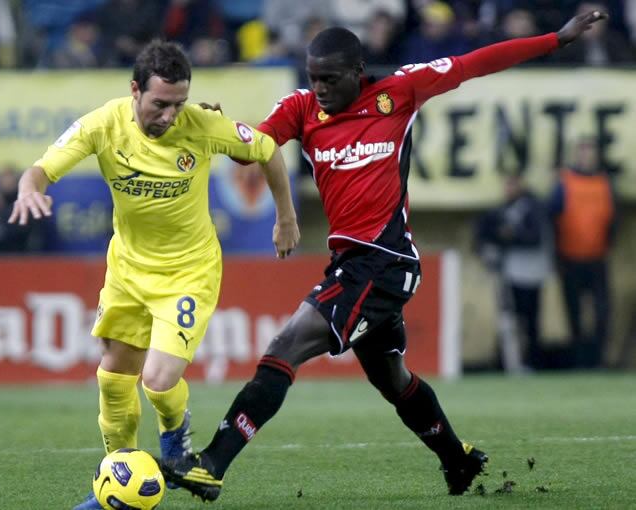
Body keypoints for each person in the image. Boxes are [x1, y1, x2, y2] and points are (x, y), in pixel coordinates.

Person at [160, 10, 608, 500]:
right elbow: (255, 149)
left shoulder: (401, 91)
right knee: (392, 378)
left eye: (330, 79)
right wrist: (217, 127)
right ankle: (458, 461)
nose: (321, 89)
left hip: (386, 260)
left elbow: (475, 62)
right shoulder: (302, 108)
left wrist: (554, 40)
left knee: (286, 345)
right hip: (354, 265)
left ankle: (212, 464)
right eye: (314, 78)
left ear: (358, 72)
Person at [8, 40, 299, 510]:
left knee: (159, 380)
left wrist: (285, 218)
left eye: (179, 104)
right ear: (134, 91)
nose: (169, 115)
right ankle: (116, 480)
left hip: (188, 272)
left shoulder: (203, 125)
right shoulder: (103, 124)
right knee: (113, 379)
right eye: (160, 104)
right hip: (127, 271)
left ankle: (176, 443)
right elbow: (40, 170)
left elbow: (267, 150)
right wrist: (28, 190)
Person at [549, 136, 617, 368]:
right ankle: (579, 361)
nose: (587, 157)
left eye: (591, 152)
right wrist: (556, 255)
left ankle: (598, 359)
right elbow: (553, 218)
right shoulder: (565, 183)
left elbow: (612, 220)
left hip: (597, 258)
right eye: (583, 152)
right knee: (574, 314)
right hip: (570, 259)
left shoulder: (605, 183)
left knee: (602, 313)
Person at [475, 175, 552, 372]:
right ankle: (513, 362)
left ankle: (532, 361)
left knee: (529, 320)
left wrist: (512, 235)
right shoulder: (502, 210)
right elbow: (483, 232)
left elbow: (534, 237)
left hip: (531, 272)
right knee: (512, 320)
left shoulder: (532, 207)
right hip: (511, 273)